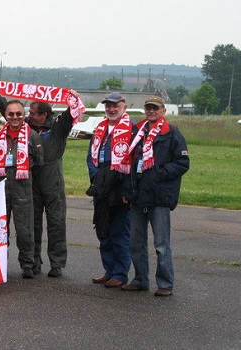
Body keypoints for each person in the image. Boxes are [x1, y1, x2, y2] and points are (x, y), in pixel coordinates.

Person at [122, 96, 190, 297]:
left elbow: (183, 163)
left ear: (163, 111)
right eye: (148, 108)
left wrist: (158, 173)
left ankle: (165, 283)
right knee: (136, 242)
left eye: (155, 108)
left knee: (161, 244)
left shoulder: (172, 133)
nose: (151, 111)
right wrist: (128, 190)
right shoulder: (138, 132)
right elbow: (129, 162)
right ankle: (140, 279)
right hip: (137, 195)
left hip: (159, 197)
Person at [0, 99, 43, 279]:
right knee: (1, 229)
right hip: (1, 186)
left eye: (18, 114)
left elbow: (39, 161)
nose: (15, 117)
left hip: (22, 188)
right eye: (11, 114)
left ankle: (27, 264)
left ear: (24, 115)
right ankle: (0, 263)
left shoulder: (32, 135)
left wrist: (23, 168)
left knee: (24, 230)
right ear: (6, 116)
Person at [26, 96, 80, 278]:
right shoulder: (27, 125)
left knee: (56, 222)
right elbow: (9, 114)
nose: (29, 116)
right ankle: (34, 261)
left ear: (44, 115)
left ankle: (56, 263)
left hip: (52, 179)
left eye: (33, 113)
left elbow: (72, 113)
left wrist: (73, 98)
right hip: (32, 178)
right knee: (33, 222)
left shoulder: (58, 126)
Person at [86, 92, 136, 288]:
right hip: (101, 185)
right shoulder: (100, 128)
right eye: (108, 105)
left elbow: (133, 158)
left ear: (124, 106)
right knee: (103, 229)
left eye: (115, 105)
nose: (111, 109)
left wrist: (120, 183)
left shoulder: (132, 129)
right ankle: (109, 270)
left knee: (119, 231)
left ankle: (120, 273)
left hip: (120, 185)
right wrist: (97, 176)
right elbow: (91, 155)